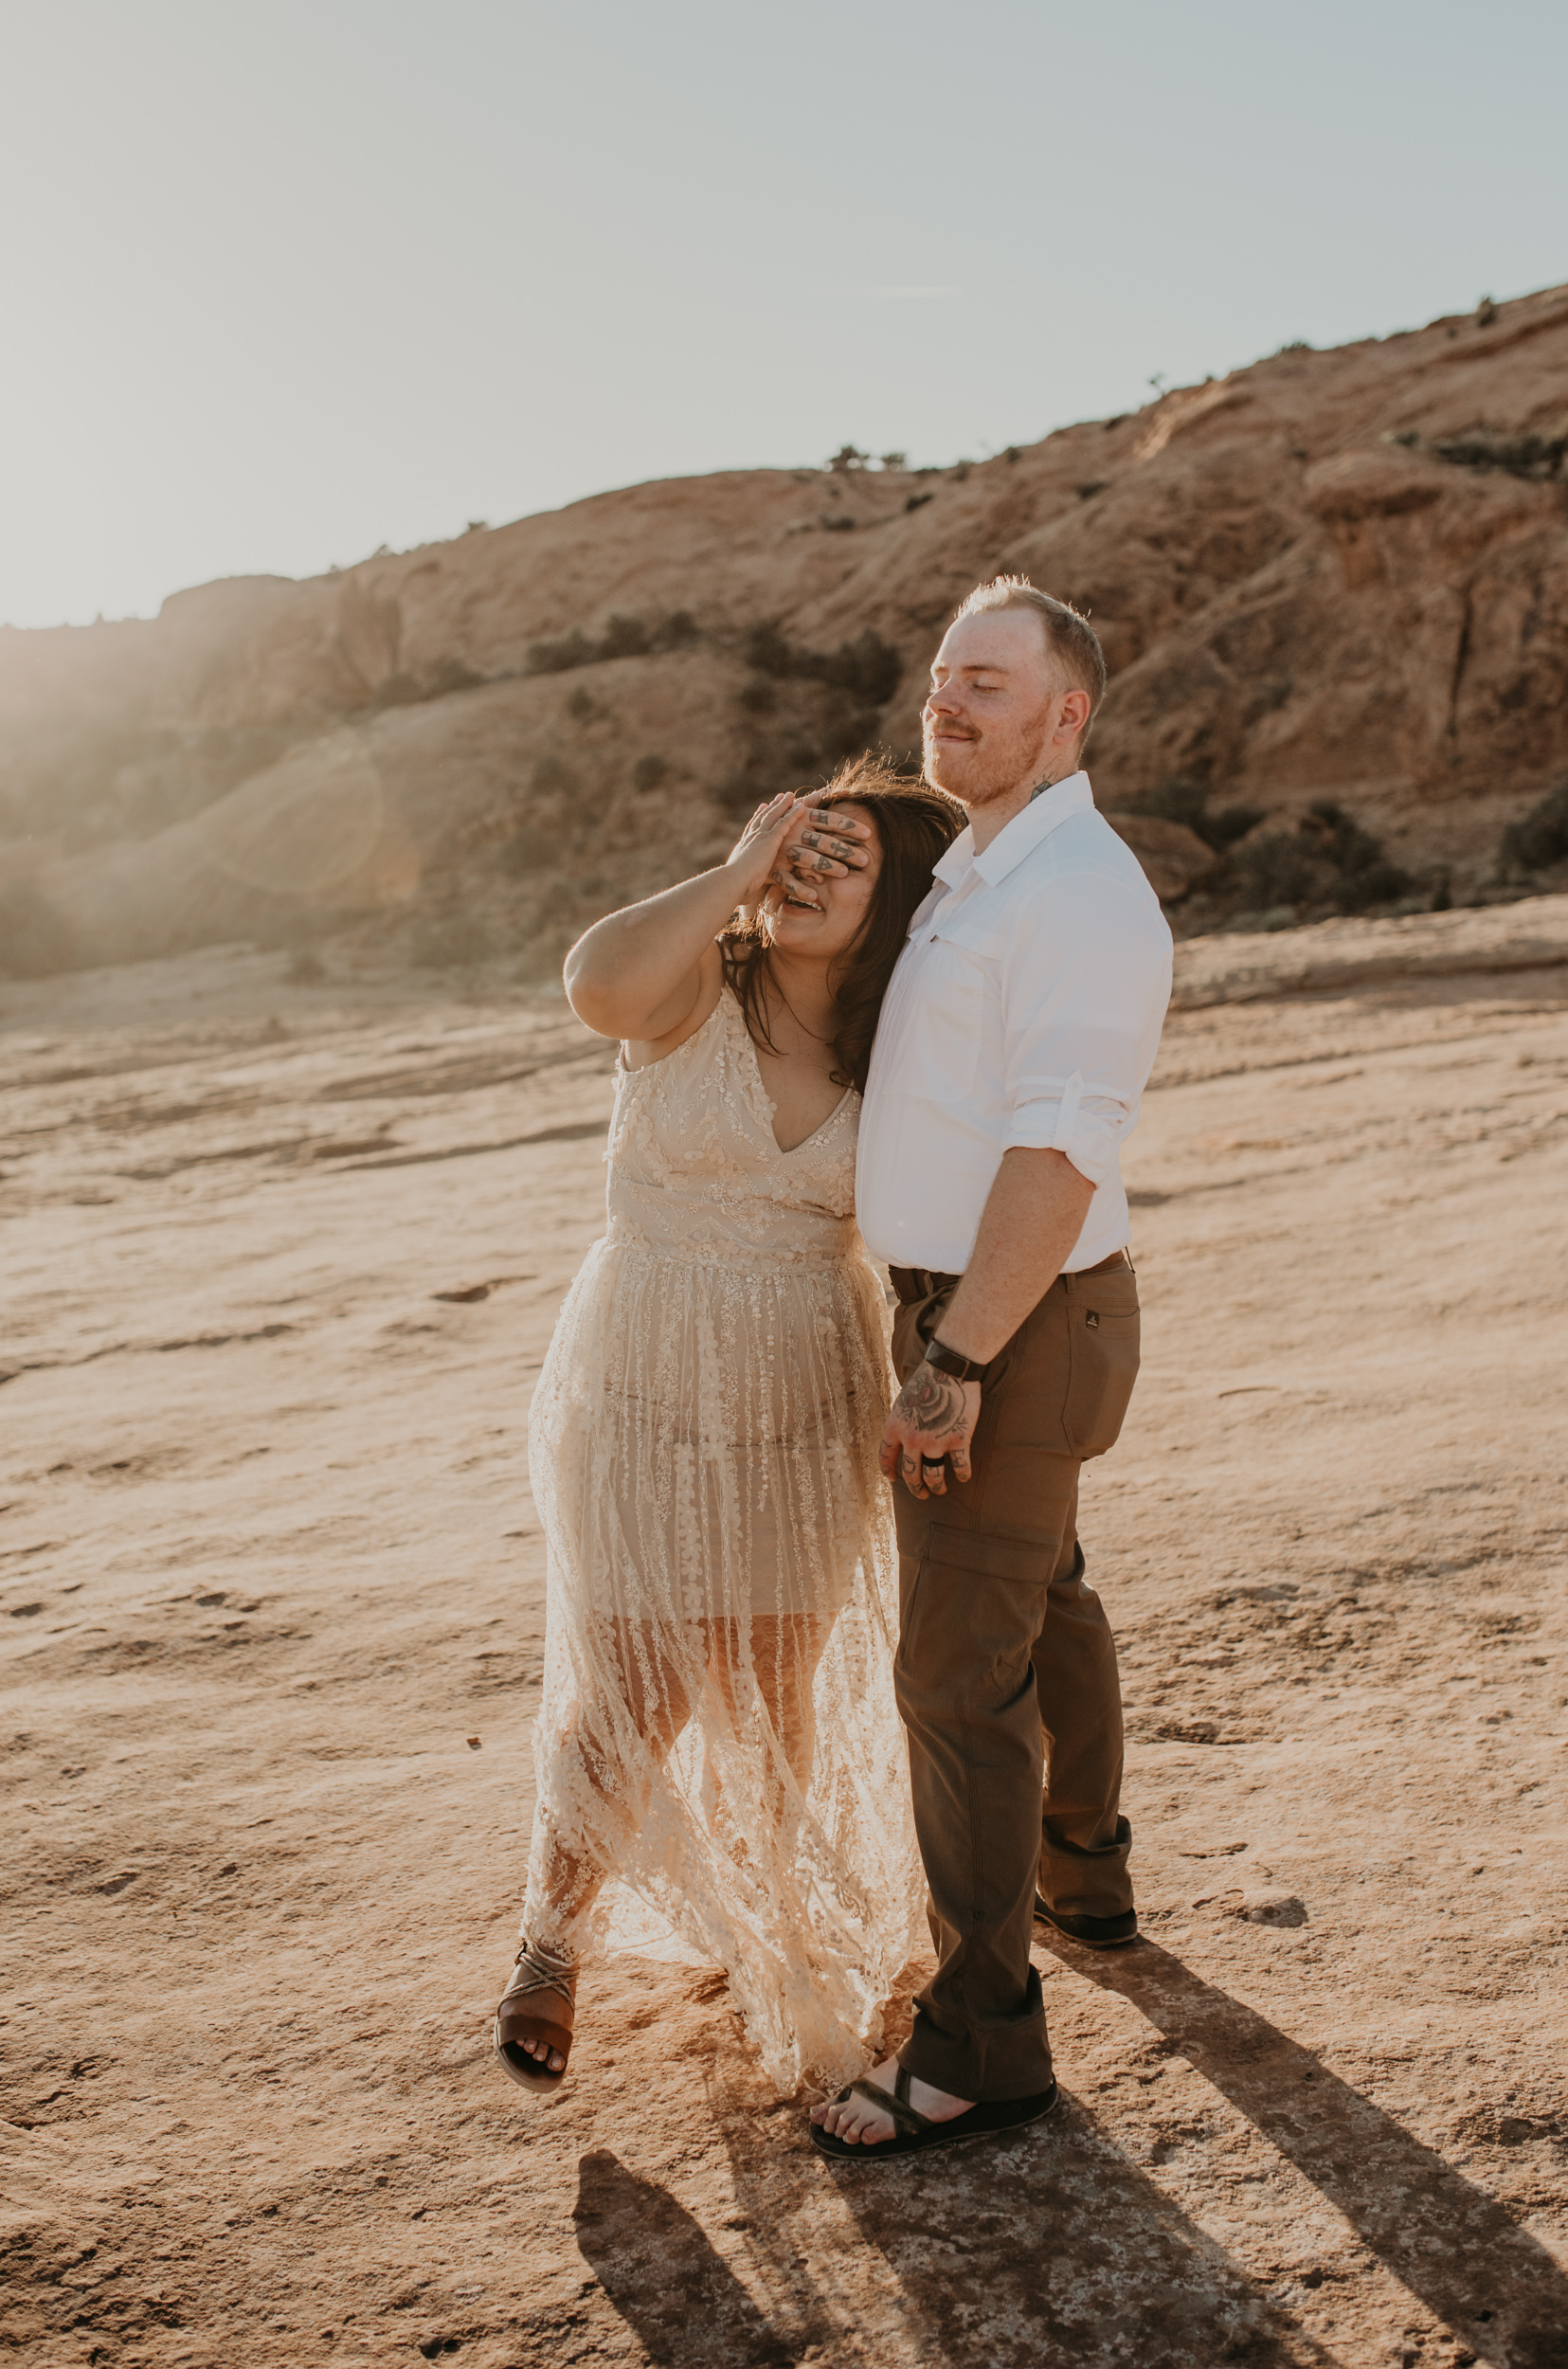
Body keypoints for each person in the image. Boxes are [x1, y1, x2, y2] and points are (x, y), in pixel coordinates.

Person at [496, 756, 963, 2098]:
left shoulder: (897, 1051)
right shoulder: (698, 981)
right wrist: (734, 875)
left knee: (773, 1686)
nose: (811, 871)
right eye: (803, 844)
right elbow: (593, 983)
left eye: (847, 859)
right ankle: (551, 1943)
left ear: (898, 907)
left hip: (800, 1394)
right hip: (640, 1370)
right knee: (633, 1682)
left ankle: (780, 1938)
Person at [809, 576, 1173, 2161]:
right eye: (943, 679)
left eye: (992, 684)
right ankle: (1083, 1878)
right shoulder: (978, 867)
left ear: (1068, 712)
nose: (950, 705)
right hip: (996, 1309)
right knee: (1051, 1594)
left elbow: (1060, 1148)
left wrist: (952, 1358)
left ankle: (980, 2048)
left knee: (956, 1678)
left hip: (1007, 1318)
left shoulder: (1076, 891)